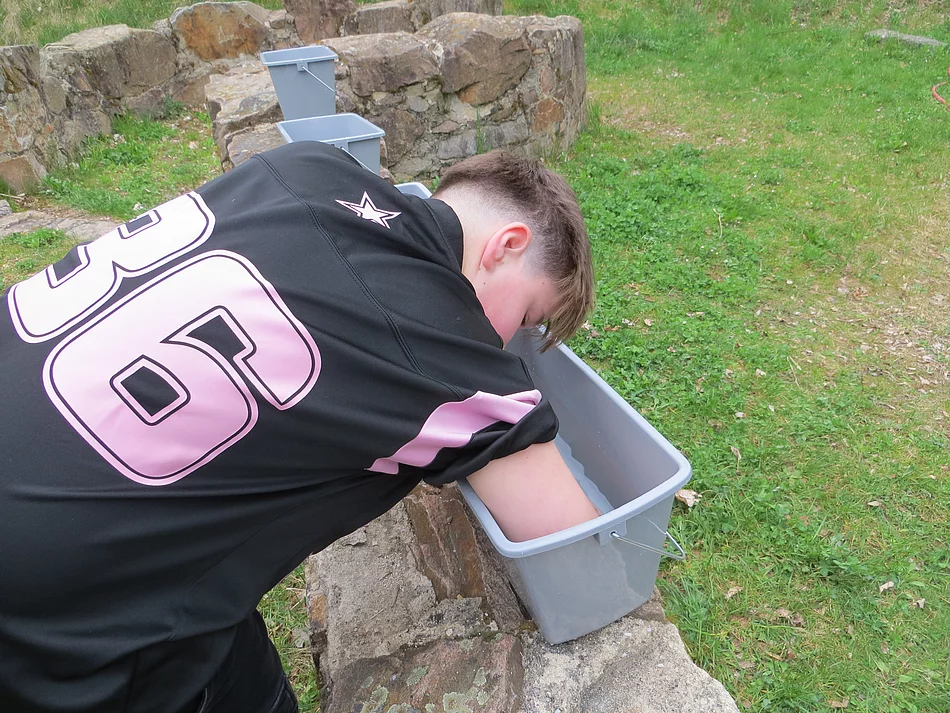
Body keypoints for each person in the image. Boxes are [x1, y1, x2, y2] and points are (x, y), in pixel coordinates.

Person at [0, 141, 598, 713]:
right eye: (526, 316)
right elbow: (575, 546)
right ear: (506, 245)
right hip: (65, 615)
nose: (506, 343)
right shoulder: (438, 340)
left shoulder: (305, 165)